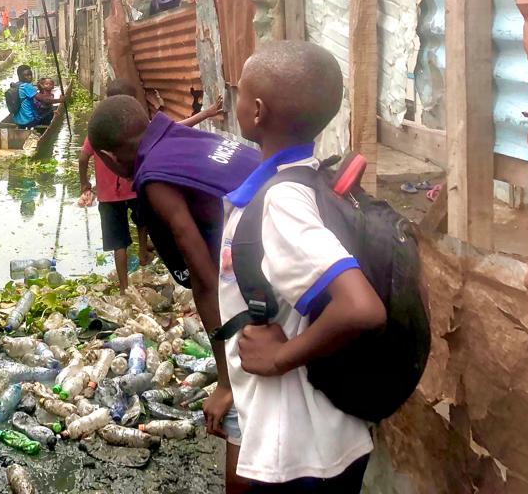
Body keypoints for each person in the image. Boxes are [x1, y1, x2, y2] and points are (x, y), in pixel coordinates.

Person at [219, 41, 385, 493]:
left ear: (256, 111)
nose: (233, 100)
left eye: (237, 92)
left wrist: (279, 358)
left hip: (299, 453)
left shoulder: (283, 203)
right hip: (313, 439)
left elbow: (361, 308)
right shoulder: (305, 179)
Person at [86, 95, 259, 440]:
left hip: (273, 273)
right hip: (298, 235)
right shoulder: (186, 139)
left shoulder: (154, 180)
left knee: (239, 422)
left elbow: (205, 280)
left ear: (108, 158)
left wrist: (226, 383)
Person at [79, 80, 225, 293]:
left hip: (109, 196)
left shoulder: (100, 130)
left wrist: (85, 184)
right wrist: (205, 114)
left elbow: (83, 158)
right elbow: (176, 129)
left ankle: (123, 286)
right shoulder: (132, 128)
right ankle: (143, 255)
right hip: (132, 190)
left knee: (119, 241)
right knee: (142, 223)